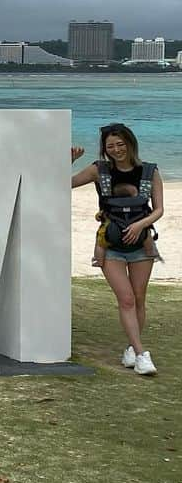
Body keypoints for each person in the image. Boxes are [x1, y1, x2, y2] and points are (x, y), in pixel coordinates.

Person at [72, 123, 164, 376]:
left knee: (139, 298)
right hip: (109, 245)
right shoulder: (98, 170)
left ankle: (131, 350)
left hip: (141, 244)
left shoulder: (149, 171)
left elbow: (158, 209)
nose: (116, 150)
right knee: (125, 299)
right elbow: (61, 184)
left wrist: (140, 225)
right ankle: (141, 354)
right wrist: (67, 161)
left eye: (120, 144)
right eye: (110, 146)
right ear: (104, 149)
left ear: (130, 144)